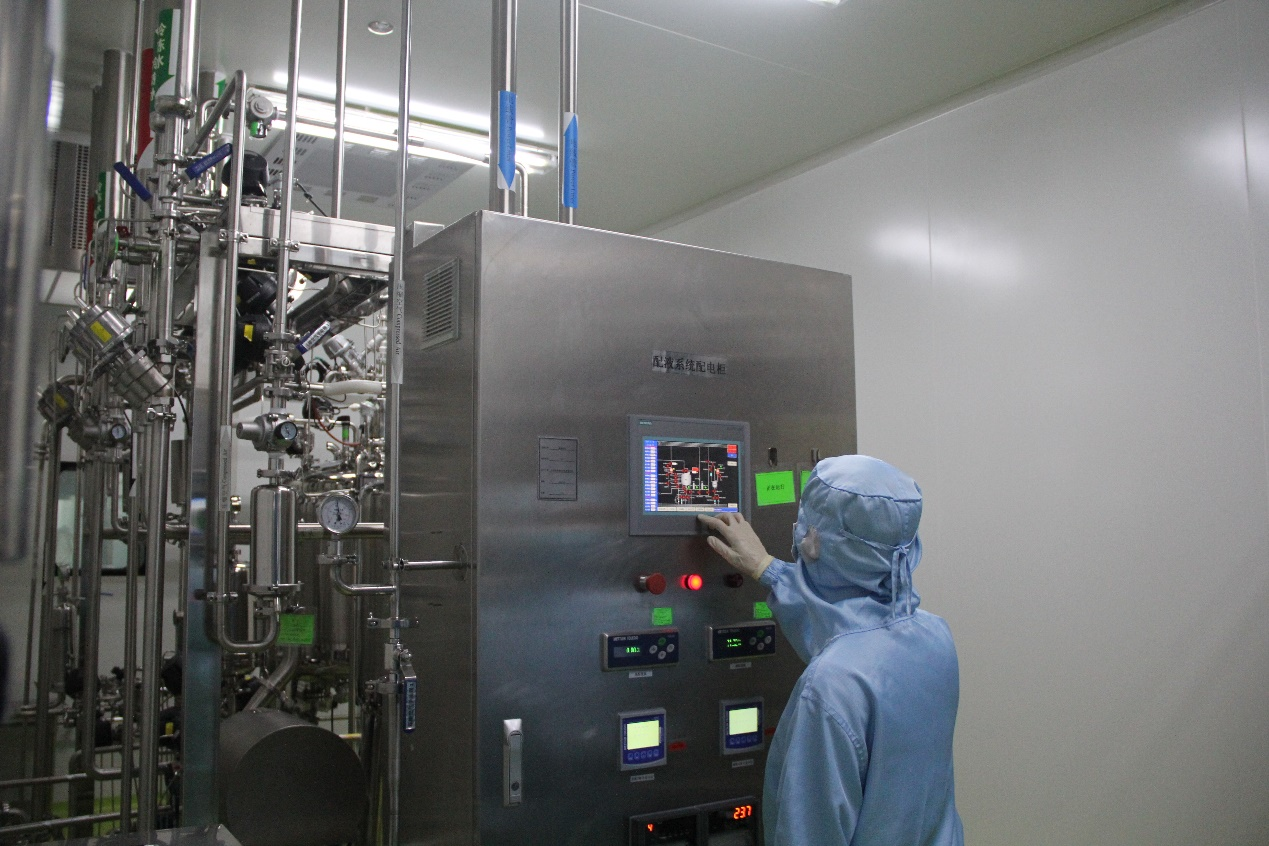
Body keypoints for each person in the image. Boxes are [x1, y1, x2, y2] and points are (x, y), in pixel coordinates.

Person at [698, 454, 964, 846]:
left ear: (812, 541)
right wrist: (767, 569)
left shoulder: (829, 687)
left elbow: (809, 832)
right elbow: (856, 631)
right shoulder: (934, 637)